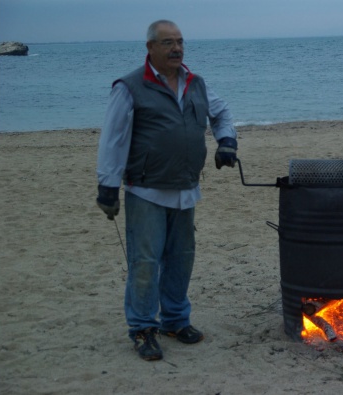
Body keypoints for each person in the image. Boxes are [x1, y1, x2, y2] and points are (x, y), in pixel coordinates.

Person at [96, 20, 238, 361]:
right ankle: (143, 328)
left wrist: (227, 142)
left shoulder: (196, 83)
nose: (176, 48)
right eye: (167, 43)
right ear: (150, 48)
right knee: (145, 262)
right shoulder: (129, 87)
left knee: (181, 260)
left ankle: (175, 320)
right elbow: (112, 139)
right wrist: (107, 186)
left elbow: (221, 113)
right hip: (146, 190)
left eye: (180, 42)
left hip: (186, 189)